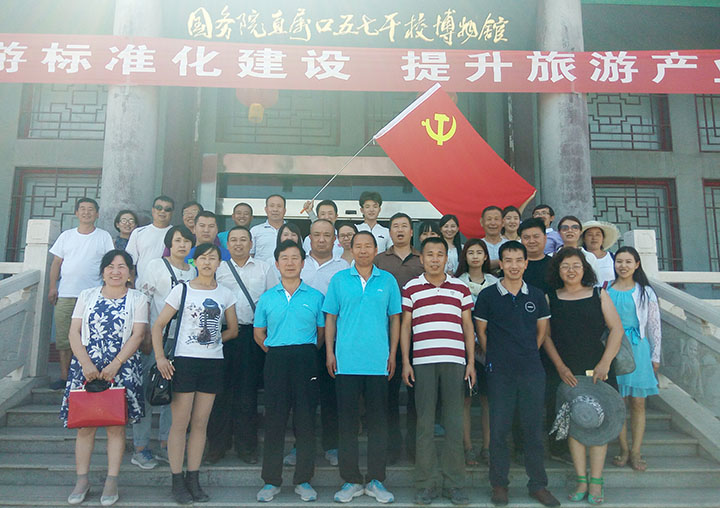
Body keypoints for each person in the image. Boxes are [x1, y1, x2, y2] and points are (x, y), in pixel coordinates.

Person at [473, 241, 560, 508]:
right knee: (499, 430)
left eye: (518, 260)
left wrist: (527, 352)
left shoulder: (536, 295)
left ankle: (538, 485)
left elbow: (542, 332)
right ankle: (499, 485)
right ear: (500, 264)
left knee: (533, 429)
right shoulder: (487, 296)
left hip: (531, 370)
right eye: (508, 260)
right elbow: (481, 333)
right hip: (500, 371)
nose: (513, 265)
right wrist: (496, 357)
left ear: (525, 263)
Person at [152, 243, 238, 505]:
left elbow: (233, 329)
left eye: (213, 258)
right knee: (180, 423)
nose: (208, 262)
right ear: (195, 262)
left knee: (201, 423)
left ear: (219, 263)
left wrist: (213, 341)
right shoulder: (182, 289)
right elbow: (158, 325)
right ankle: (177, 479)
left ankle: (193, 477)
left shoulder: (226, 293)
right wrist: (160, 358)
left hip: (212, 363)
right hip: (184, 362)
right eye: (203, 258)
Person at [60, 250, 148, 506]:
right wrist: (86, 363)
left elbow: (138, 335)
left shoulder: (138, 298)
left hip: (122, 367)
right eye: (110, 266)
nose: (115, 271)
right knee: (85, 426)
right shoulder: (87, 295)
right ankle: (82, 480)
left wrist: (115, 364)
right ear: (102, 271)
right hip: (86, 367)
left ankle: (112, 480)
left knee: (115, 426)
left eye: (122, 267)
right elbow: (74, 332)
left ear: (130, 273)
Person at [324, 231, 402, 504]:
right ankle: (351, 480)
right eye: (359, 246)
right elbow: (330, 317)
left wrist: (393, 353)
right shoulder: (339, 280)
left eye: (369, 246)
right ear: (351, 249)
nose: (364, 250)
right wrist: (330, 352)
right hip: (346, 361)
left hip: (378, 361)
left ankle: (376, 479)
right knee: (347, 423)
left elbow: (395, 319)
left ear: (376, 249)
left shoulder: (387, 280)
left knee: (378, 423)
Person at [542, 247, 624, 504]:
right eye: (565, 266)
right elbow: (545, 336)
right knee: (575, 423)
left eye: (576, 265)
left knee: (599, 423)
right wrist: (560, 367)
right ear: (558, 270)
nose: (571, 270)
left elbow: (616, 329)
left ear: (584, 268)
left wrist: (605, 363)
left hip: (598, 369)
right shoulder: (550, 298)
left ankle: (596, 481)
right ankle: (581, 480)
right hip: (566, 370)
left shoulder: (599, 294)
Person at [401, 237, 476, 506]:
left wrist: (470, 362)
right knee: (425, 424)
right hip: (423, 362)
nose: (434, 259)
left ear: (447, 258)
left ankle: (455, 484)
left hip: (455, 361)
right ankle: (426, 484)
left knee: (454, 423)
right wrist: (406, 361)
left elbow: (468, 326)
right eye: (429, 254)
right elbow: (405, 326)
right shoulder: (411, 288)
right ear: (421, 259)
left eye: (440, 254)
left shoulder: (460, 288)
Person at [254, 240, 325, 503]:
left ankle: (303, 480)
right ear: (277, 263)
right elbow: (259, 333)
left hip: (306, 358)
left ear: (303, 263)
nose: (290, 262)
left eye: (295, 258)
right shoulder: (267, 297)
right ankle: (271, 481)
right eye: (284, 258)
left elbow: (321, 334)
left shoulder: (315, 297)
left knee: (305, 421)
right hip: (276, 360)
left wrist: (304, 350)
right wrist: (276, 350)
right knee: (274, 421)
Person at [208, 225, 278, 464]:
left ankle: (246, 447)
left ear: (251, 244)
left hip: (251, 335)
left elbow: (272, 300)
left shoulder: (264, 268)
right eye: (234, 240)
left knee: (247, 393)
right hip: (222, 336)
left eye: (243, 240)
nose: (238, 244)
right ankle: (217, 447)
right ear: (227, 245)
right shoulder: (218, 268)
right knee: (219, 392)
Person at [134, 225, 197, 469]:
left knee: (175, 393)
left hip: (182, 341)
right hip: (157, 337)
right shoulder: (155, 266)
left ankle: (166, 443)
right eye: (177, 240)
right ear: (169, 243)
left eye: (186, 241)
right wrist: (144, 334)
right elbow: (144, 299)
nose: (182, 245)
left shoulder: (193, 270)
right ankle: (140, 447)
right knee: (148, 390)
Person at [296, 219, 349, 467]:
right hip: (302, 341)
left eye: (326, 235)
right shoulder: (299, 263)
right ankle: (299, 446)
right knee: (302, 398)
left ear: (334, 239)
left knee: (331, 396)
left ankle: (332, 445)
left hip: (333, 342)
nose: (321, 239)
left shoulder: (343, 267)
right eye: (316, 234)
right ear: (309, 237)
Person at [48, 197, 115, 390]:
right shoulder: (66, 236)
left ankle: (89, 376)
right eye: (83, 209)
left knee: (91, 337)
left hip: (92, 296)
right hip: (66, 294)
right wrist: (53, 287)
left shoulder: (103, 237)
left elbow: (109, 263)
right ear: (76, 213)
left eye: (91, 209)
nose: (86, 212)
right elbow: (56, 263)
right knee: (64, 338)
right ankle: (64, 377)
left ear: (97, 214)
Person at [374, 212, 424, 464]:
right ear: (390, 232)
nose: (400, 230)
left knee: (417, 394)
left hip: (420, 332)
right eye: (396, 226)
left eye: (405, 226)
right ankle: (391, 447)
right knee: (388, 394)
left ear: (412, 232)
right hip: (387, 333)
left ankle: (416, 447)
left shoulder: (422, 259)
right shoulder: (379, 260)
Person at [609, 246, 662, 472]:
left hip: (638, 348)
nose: (623, 266)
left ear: (637, 264)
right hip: (614, 349)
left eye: (628, 261)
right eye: (619, 261)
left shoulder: (645, 292)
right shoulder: (606, 289)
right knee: (618, 402)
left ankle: (636, 450)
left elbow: (654, 326)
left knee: (638, 402)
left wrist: (655, 355)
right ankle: (623, 448)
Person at [454, 239, 498, 467]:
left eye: (479, 252)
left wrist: (485, 341)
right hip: (463, 348)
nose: (475, 256)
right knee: (465, 399)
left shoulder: (495, 283)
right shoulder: (457, 283)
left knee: (488, 399)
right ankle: (468, 447)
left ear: (485, 256)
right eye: (470, 252)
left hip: (490, 348)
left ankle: (488, 447)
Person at [126, 195, 175, 279]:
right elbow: (130, 262)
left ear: (172, 213)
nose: (162, 211)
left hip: (169, 283)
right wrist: (131, 283)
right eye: (159, 208)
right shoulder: (138, 232)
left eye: (167, 209)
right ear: (153, 210)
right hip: (142, 284)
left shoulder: (177, 234)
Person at [581, 220, 620, 289]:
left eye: (598, 234)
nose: (594, 238)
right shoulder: (579, 258)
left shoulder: (613, 258)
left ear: (603, 238)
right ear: (584, 239)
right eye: (590, 235)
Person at [519, 218, 552, 294]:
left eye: (536, 236)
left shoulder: (555, 264)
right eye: (526, 237)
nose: (531, 241)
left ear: (545, 238)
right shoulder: (514, 265)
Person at [250, 194, 287, 263]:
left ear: (284, 210)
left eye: (279, 206)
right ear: (266, 209)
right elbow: (250, 255)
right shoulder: (255, 231)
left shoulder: (292, 231)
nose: (275, 209)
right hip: (261, 270)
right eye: (272, 206)